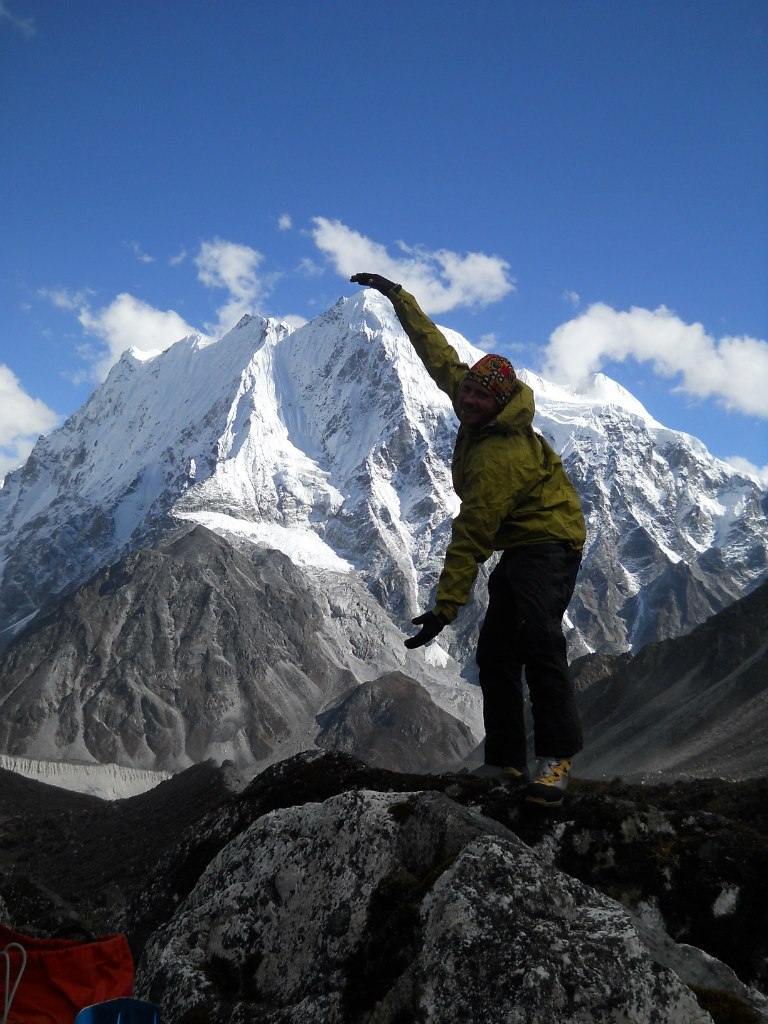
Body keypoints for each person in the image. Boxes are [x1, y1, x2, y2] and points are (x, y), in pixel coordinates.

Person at [350, 273, 587, 806]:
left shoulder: (498, 456)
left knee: (538, 638)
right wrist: (399, 298)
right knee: (496, 650)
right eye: (470, 390)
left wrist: (445, 609)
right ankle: (504, 761)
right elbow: (436, 350)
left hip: (551, 539)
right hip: (521, 540)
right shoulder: (469, 394)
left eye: (482, 396)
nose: (470, 400)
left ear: (500, 404)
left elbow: (472, 534)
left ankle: (556, 761)